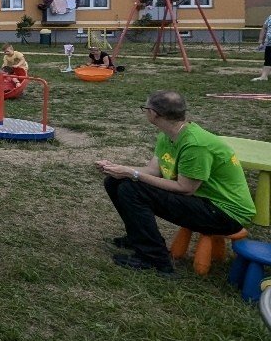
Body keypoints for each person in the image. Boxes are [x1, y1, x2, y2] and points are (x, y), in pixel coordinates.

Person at [96, 90, 255, 276]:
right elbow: (153, 171)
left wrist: (133, 174)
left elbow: (185, 189)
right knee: (115, 182)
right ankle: (138, 238)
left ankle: (154, 258)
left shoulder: (195, 144)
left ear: (153, 113)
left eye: (145, 108)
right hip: (204, 202)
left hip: (225, 215)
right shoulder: (168, 135)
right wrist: (119, 169)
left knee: (132, 189)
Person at [255, 11, 271, 81]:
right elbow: (264, 28)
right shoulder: (270, 17)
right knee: (268, 60)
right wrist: (261, 40)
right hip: (269, 43)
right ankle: (264, 76)